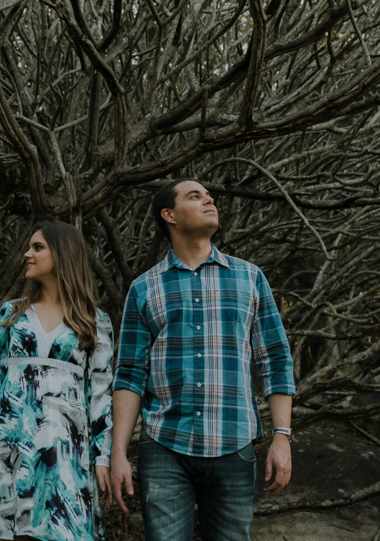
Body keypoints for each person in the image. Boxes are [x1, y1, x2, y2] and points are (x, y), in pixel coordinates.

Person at [109, 178, 295, 541]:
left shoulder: (250, 278)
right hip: (164, 449)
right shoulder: (144, 288)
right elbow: (129, 374)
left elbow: (274, 360)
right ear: (169, 215)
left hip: (234, 446)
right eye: (195, 197)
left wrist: (282, 436)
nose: (209, 200)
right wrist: (118, 454)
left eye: (209, 196)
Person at [0, 221, 114, 541]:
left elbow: (100, 396)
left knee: (61, 531)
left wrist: (102, 457)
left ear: (63, 253)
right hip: (8, 445)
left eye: (37, 247)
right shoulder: (10, 314)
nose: (26, 254)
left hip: (64, 454)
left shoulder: (94, 321)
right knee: (11, 533)